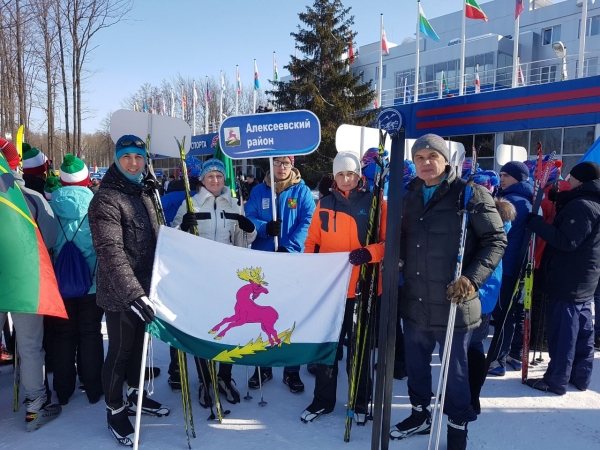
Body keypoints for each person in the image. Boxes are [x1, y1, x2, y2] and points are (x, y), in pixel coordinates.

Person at [389, 134, 506, 450]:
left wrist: (471, 279)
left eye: (432, 156)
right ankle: (419, 414)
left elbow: (496, 240)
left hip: (454, 302)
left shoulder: (470, 194)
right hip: (416, 301)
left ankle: (457, 429)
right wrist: (397, 259)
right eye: (419, 157)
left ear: (445, 159)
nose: (426, 162)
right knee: (416, 366)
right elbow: (404, 239)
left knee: (455, 374)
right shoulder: (409, 195)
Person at [88, 135, 169, 447]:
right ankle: (115, 409)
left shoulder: (145, 192)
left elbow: (157, 238)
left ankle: (136, 395)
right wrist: (134, 295)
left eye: (139, 157)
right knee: (121, 351)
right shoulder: (106, 199)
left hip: (147, 289)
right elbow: (110, 252)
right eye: (127, 157)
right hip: (121, 293)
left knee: (140, 348)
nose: (133, 163)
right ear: (116, 159)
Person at [301, 152, 386, 424]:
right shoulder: (325, 203)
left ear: (359, 175)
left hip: (364, 286)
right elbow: (312, 242)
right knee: (327, 347)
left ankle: (360, 401)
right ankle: (323, 401)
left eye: (351, 174)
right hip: (332, 288)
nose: (346, 179)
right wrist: (310, 271)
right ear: (334, 177)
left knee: (359, 350)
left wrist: (370, 253)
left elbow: (389, 242)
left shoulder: (376, 203)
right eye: (341, 174)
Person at [170, 158, 257, 406]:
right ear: (202, 180)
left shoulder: (234, 204)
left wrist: (249, 229)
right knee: (204, 328)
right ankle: (205, 380)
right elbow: (173, 238)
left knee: (229, 327)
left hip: (226, 276)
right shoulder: (191, 203)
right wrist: (183, 228)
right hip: (199, 276)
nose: (215, 180)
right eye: (210, 176)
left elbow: (243, 242)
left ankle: (224, 377)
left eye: (219, 176)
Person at [0, 138, 62, 431]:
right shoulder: (31, 197)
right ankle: (35, 404)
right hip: (25, 281)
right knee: (29, 346)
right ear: (16, 166)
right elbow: (50, 238)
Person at [525, 161, 600, 395]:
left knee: (563, 332)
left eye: (571, 178)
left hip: (569, 278)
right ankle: (580, 376)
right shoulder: (592, 201)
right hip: (584, 277)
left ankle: (556, 380)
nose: (567, 181)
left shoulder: (583, 206)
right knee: (583, 331)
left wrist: (536, 223)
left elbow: (567, 240)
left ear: (580, 180)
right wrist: (560, 201)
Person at [245, 155, 315, 393]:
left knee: (290, 314)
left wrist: (291, 246)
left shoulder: (301, 191)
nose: (281, 167)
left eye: (286, 163)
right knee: (262, 314)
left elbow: (308, 220)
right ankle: (263, 366)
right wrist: (264, 228)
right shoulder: (259, 191)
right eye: (277, 162)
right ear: (271, 164)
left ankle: (291, 370)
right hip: (264, 260)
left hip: (291, 261)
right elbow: (249, 217)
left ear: (292, 165)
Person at [46, 154, 104, 406]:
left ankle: (63, 390)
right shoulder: (97, 206)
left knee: (63, 336)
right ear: (86, 179)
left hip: (59, 284)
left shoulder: (49, 206)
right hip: (91, 283)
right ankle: (93, 388)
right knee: (90, 334)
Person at [487, 161, 533, 376]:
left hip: (505, 265)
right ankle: (513, 355)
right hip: (517, 264)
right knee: (513, 312)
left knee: (502, 312)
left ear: (518, 178)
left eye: (506, 175)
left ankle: (498, 359)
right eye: (501, 174)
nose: (501, 178)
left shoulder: (513, 201)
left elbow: (497, 233)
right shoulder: (527, 198)